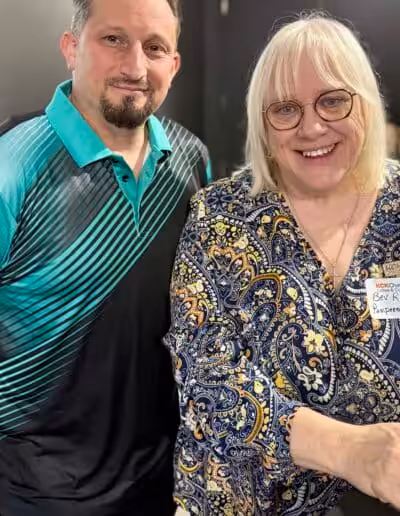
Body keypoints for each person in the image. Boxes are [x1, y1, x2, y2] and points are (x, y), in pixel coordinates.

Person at [164, 12, 400, 516]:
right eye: (286, 109)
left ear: (365, 102)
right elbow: (207, 382)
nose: (311, 127)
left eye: (333, 100)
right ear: (263, 124)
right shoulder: (220, 217)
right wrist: (352, 451)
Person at [0, 0, 211, 514]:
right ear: (71, 47)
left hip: (163, 485)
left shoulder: (192, 159)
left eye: (154, 48)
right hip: (34, 494)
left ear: (174, 65)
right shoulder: (13, 160)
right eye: (113, 39)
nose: (135, 67)